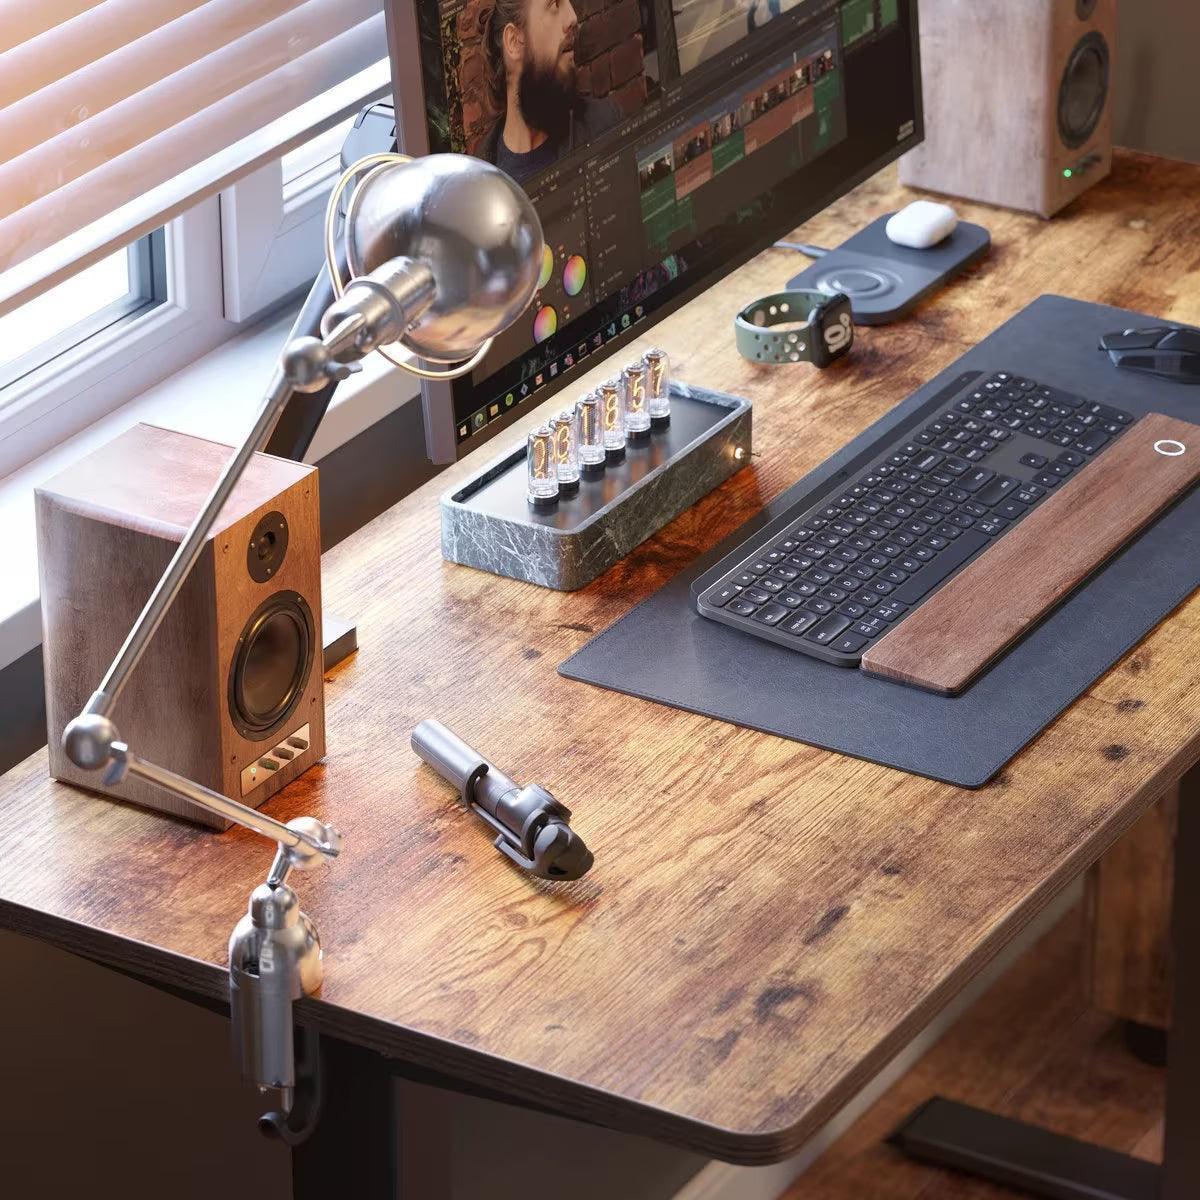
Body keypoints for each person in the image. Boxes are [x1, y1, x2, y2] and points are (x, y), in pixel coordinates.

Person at [479, 0, 621, 182]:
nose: (572, 17)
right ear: (514, 41)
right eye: (554, 4)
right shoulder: (483, 184)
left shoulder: (602, 127)